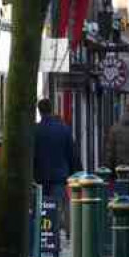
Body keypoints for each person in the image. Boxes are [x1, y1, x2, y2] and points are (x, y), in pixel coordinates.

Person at [33, 99, 78, 236]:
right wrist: (75, 173)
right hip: (60, 175)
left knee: (43, 207)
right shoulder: (64, 129)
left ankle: (45, 235)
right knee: (57, 207)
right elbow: (72, 154)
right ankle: (54, 237)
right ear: (51, 109)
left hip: (40, 176)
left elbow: (32, 154)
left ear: (39, 111)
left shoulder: (35, 130)